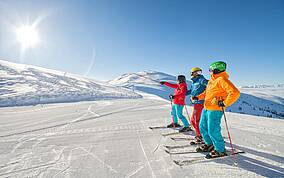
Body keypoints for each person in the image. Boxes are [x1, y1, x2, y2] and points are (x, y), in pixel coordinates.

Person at [196, 61, 240, 159]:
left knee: (213, 129)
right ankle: (209, 144)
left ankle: (220, 150)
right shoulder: (212, 81)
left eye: (210, 70)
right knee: (202, 127)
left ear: (216, 70)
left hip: (215, 109)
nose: (209, 72)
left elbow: (235, 92)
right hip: (206, 107)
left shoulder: (221, 79)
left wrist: (224, 103)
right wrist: (198, 97)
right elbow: (207, 93)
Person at [186, 67, 208, 143]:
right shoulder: (194, 82)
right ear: (192, 73)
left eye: (199, 72)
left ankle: (200, 136)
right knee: (193, 121)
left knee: (196, 120)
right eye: (196, 72)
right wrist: (182, 94)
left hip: (201, 103)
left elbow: (209, 86)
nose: (198, 73)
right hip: (196, 103)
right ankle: (201, 134)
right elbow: (191, 91)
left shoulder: (201, 80)